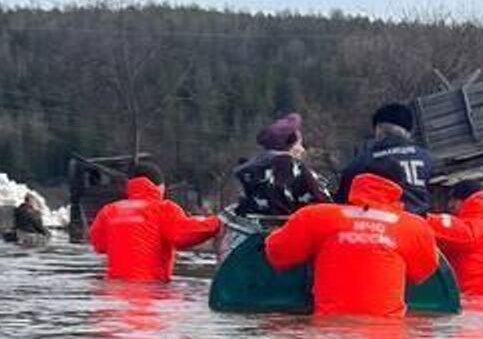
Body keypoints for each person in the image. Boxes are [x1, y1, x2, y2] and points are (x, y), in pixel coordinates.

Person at [264, 171, 440, 318]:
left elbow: (277, 253)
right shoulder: (415, 227)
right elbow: (423, 272)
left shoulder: (316, 216)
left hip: (329, 335)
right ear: (399, 189)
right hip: (387, 338)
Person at [88, 163, 220, 281]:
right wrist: (218, 222)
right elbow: (183, 235)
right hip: (151, 290)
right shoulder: (164, 209)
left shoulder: (109, 211)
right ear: (160, 187)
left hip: (113, 291)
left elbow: (99, 245)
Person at [336, 103, 439, 215]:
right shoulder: (428, 159)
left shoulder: (360, 163)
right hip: (420, 226)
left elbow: (342, 203)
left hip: (376, 225)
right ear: (409, 133)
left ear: (378, 130)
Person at [233, 112, 332, 217]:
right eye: (299, 144)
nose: (302, 150)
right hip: (301, 226)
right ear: (289, 146)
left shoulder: (255, 169)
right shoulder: (290, 167)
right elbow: (322, 203)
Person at [428, 181, 483, 301]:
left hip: (474, 303)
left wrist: (415, 217)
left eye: (453, 200)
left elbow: (443, 226)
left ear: (465, 201)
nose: (450, 205)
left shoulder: (472, 229)